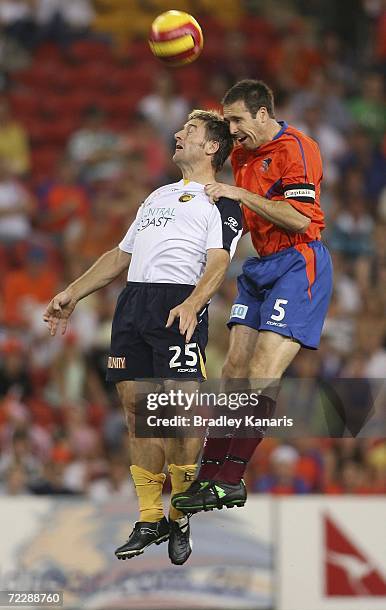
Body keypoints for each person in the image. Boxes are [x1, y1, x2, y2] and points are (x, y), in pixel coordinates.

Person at [43, 110, 242, 565]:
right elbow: (120, 254)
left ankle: (181, 513)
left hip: (178, 304)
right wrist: (72, 293)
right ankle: (150, 516)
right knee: (138, 412)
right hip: (133, 304)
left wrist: (193, 303)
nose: (178, 134)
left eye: (189, 130)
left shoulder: (222, 201)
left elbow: (218, 261)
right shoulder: (156, 195)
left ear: (212, 146)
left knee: (178, 410)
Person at [172, 79, 333, 514]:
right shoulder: (241, 152)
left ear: (263, 114)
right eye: (228, 121)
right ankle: (210, 476)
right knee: (233, 370)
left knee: (262, 368)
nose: (233, 129)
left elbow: (300, 219)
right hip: (260, 268)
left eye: (238, 120)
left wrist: (240, 193)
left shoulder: (298, 148)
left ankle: (230, 479)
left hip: (299, 263)